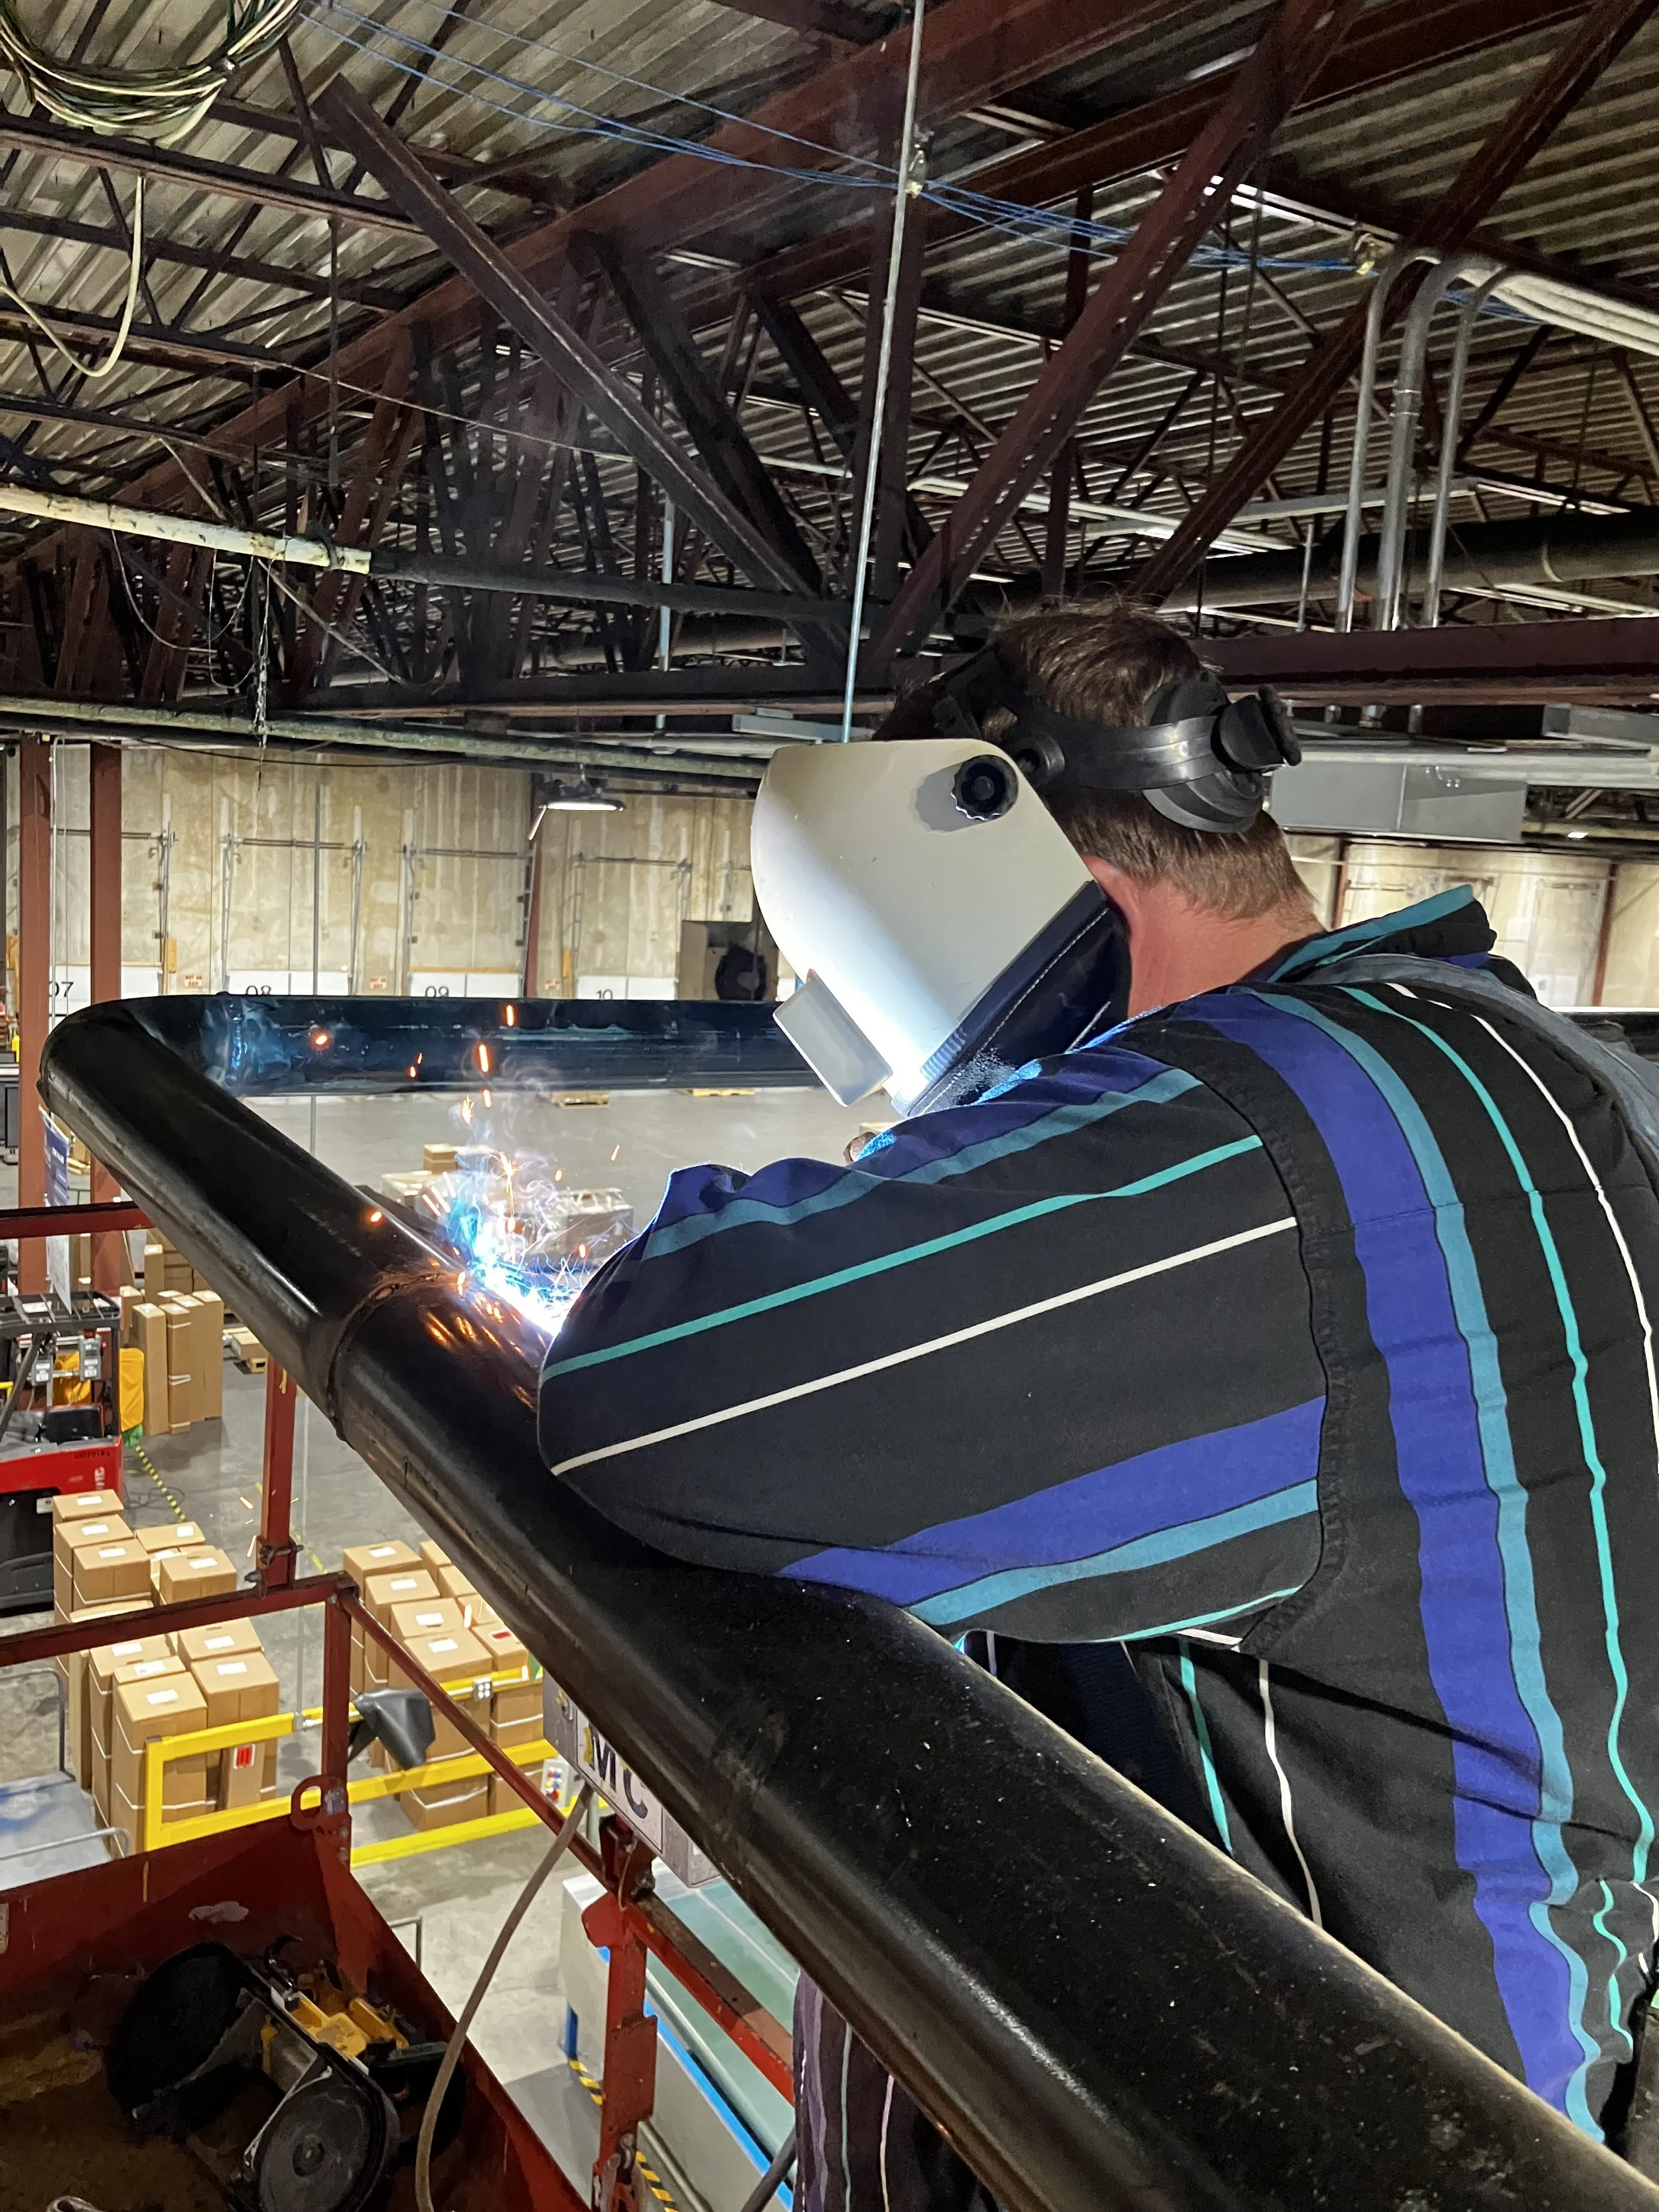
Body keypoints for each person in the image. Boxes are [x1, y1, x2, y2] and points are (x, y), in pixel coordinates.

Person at [540, 601, 1659, 2201]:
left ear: (1063, 929)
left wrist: (913, 1169)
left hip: (1261, 2139)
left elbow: (647, 1380)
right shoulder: (1546, 1072)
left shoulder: (1271, 1145)